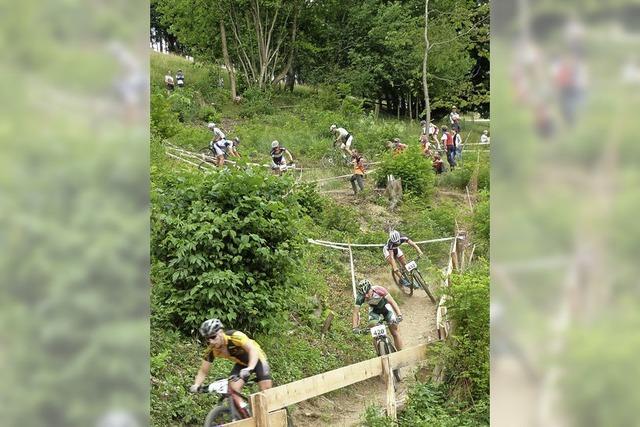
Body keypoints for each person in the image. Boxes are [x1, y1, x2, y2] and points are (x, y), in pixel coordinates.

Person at [189, 319, 272, 397]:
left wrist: (250, 368)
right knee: (233, 388)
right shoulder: (212, 350)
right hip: (242, 364)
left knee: (266, 390)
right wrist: (197, 384)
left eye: (213, 337)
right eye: (208, 338)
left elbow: (252, 350)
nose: (211, 341)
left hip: (258, 359)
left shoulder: (235, 336)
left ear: (221, 332)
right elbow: (203, 370)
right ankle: (241, 410)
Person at [352, 279, 404, 351]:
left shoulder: (380, 290)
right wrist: (355, 327)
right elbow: (355, 312)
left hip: (385, 308)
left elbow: (392, 302)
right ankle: (380, 353)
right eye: (364, 294)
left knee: (394, 331)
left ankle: (400, 353)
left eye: (367, 292)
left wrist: (399, 315)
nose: (366, 296)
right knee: (373, 328)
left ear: (371, 289)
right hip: (374, 311)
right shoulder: (360, 297)